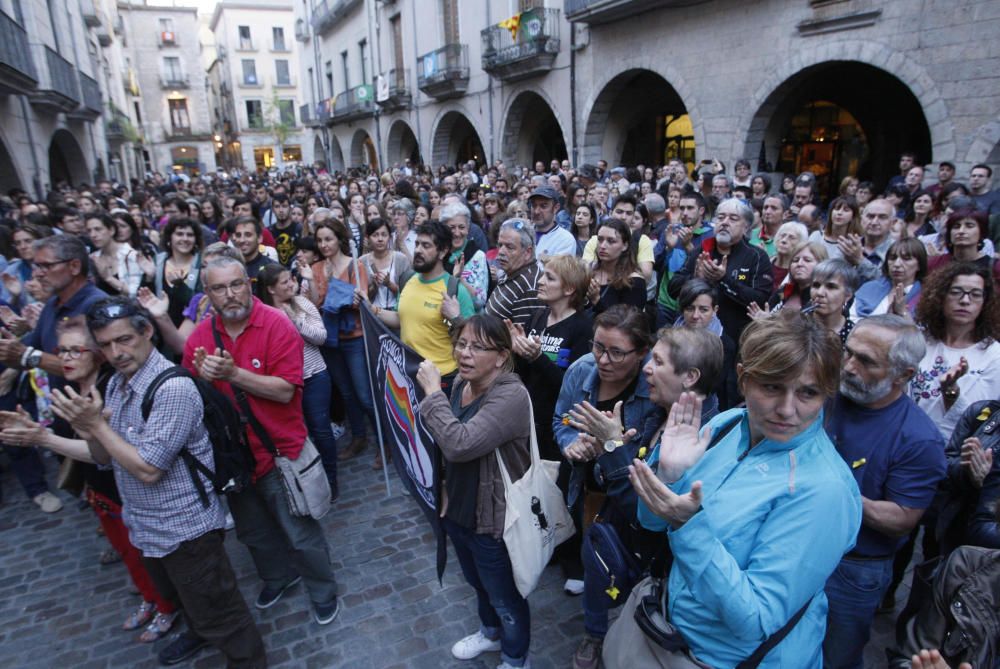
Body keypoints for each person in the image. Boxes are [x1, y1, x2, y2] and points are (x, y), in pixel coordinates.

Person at [622, 309, 861, 668]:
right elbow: (653, 523)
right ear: (743, 378)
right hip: (674, 634)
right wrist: (669, 476)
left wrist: (690, 527)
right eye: (771, 386)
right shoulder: (727, 424)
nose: (787, 409)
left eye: (808, 393)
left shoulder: (824, 490)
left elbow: (755, 621)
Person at [49, 297, 266, 667]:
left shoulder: (172, 390)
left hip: (186, 530)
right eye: (105, 344)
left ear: (147, 331)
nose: (116, 353)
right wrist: (88, 430)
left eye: (124, 340)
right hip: (148, 527)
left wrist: (97, 426)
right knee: (190, 601)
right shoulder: (118, 384)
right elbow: (105, 457)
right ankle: (198, 634)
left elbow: (149, 469)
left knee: (222, 613)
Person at [183, 257, 342, 626]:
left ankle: (323, 590)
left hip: (279, 451)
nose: (230, 294)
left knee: (301, 534)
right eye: (219, 288)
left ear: (249, 284)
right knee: (253, 533)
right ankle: (278, 577)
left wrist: (232, 374)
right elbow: (189, 393)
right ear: (208, 295)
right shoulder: (201, 338)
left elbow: (286, 390)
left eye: (236, 284)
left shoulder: (276, 324)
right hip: (235, 460)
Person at [0, 317, 179, 643]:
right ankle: (150, 599)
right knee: (127, 555)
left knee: (145, 556)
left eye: (75, 351)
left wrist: (41, 438)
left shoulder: (111, 389)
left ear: (95, 354)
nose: (66, 358)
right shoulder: (68, 388)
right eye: (62, 351)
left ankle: (166, 607)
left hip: (128, 492)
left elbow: (105, 453)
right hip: (100, 492)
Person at [823, 315, 947, 669]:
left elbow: (901, 519)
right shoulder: (827, 395)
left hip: (852, 569)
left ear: (904, 375)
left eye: (866, 361)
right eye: (849, 353)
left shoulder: (919, 440)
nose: (848, 367)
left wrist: (833, 489)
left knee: (836, 657)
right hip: (798, 542)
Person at [415, 314, 533, 669]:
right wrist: (446, 493)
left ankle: (516, 658)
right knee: (477, 583)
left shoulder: (511, 394)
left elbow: (459, 443)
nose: (464, 354)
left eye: (477, 347)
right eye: (461, 344)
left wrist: (432, 393)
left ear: (500, 356)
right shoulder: (461, 386)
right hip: (459, 509)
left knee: (504, 598)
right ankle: (489, 633)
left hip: (493, 519)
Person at [552, 306, 665, 666]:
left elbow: (651, 459)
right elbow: (561, 419)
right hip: (586, 491)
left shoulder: (655, 390)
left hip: (629, 497)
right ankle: (594, 633)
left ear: (642, 352)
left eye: (616, 352)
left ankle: (629, 630)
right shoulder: (580, 370)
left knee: (629, 567)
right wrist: (572, 443)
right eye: (598, 346)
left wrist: (612, 446)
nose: (603, 359)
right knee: (595, 564)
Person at [256, 264, 340, 492]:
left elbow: (321, 337)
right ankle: (308, 481)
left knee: (321, 429)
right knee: (299, 434)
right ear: (271, 289)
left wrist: (296, 320)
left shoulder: (302, 303)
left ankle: (331, 480)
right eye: (285, 282)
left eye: (291, 279)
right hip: (285, 383)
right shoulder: (262, 315)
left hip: (314, 376)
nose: (292, 284)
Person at [374, 220, 475, 399]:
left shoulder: (455, 289)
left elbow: (474, 337)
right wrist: (372, 310)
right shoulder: (407, 279)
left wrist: (456, 317)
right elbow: (401, 318)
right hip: (409, 375)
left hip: (442, 381)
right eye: (417, 244)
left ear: (443, 251)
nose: (418, 250)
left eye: (426, 245)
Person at [303, 218, 374, 461]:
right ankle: (359, 438)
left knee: (364, 393)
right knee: (346, 393)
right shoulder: (315, 269)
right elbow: (313, 306)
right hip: (330, 339)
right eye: (320, 240)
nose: (323, 244)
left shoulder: (356, 266)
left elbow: (360, 304)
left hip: (354, 338)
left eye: (328, 239)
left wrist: (352, 300)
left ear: (339, 239)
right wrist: (311, 282)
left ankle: (386, 439)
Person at [909, 263, 1000, 440]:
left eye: (975, 294)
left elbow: (980, 420)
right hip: (908, 443)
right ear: (941, 296)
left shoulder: (994, 355)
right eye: (956, 292)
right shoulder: (920, 341)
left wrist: (951, 393)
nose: (965, 300)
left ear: (985, 302)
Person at [668, 198, 773, 340]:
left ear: (746, 227)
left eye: (733, 219)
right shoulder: (702, 250)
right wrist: (696, 279)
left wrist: (724, 280)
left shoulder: (757, 256)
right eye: (721, 217)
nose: (724, 222)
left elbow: (760, 300)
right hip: (694, 337)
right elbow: (672, 289)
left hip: (736, 338)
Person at [486, 219, 544, 328]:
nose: (501, 252)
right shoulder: (510, 271)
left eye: (509, 247)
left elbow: (523, 339)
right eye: (500, 245)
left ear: (527, 252)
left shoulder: (530, 287)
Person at [850, 238, 927, 320]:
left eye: (906, 258)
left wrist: (902, 312)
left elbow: (922, 331)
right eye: (893, 258)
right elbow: (849, 318)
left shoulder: (925, 298)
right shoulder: (869, 288)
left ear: (919, 265)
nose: (897, 264)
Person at [586, 218, 646, 315]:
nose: (603, 246)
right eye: (600, 239)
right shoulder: (589, 271)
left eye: (611, 241)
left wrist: (597, 301)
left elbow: (627, 324)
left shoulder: (634, 282)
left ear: (625, 246)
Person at [925, 209, 1000, 283]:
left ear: (981, 233)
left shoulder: (995, 267)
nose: (961, 231)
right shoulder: (935, 264)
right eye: (956, 227)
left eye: (969, 226)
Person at [154, 217, 203, 326]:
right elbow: (146, 298)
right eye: (179, 234)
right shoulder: (158, 261)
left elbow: (201, 303)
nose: (185, 239)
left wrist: (180, 287)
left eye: (190, 235)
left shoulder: (202, 264)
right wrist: (147, 278)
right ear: (169, 237)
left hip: (191, 328)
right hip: (160, 328)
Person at [441, 201, 489, 311]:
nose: (457, 233)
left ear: (468, 229)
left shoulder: (477, 256)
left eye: (461, 227)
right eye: (452, 227)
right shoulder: (439, 253)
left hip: (468, 319)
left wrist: (459, 279)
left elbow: (479, 301)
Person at [86, 212, 147, 297]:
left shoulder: (130, 255)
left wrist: (108, 278)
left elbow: (136, 292)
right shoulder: (92, 258)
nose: (93, 235)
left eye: (98, 229)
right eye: (89, 231)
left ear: (111, 230)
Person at [359, 217, 411, 313]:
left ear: (390, 237)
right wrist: (374, 286)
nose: (380, 239)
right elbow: (361, 298)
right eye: (375, 235)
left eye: (384, 235)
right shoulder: (362, 261)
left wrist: (389, 284)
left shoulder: (401, 259)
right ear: (368, 238)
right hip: (372, 314)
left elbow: (408, 293)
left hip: (397, 313)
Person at [808, 259, 859, 345]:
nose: (820, 293)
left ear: (847, 296)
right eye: (816, 285)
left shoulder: (853, 337)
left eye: (831, 287)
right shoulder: (796, 324)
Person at [528, 185, 577, 260]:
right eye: (534, 205)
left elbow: (559, 271)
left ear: (556, 208)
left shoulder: (565, 239)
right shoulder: (523, 233)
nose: (536, 211)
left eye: (543, 206)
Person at [230, 217, 278, 283]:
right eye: (238, 235)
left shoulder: (272, 269)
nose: (242, 240)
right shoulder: (228, 267)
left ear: (259, 238)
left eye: (248, 235)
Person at [768, 220, 809, 289]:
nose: (784, 240)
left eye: (791, 237)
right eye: (782, 235)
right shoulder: (765, 263)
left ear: (801, 244)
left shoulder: (800, 273)